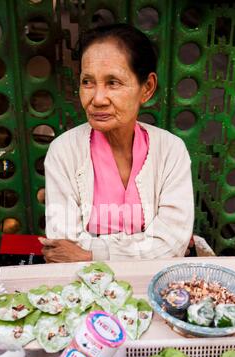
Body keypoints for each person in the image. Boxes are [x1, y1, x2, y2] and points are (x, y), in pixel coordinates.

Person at [40, 23, 194, 263]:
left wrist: (91, 253)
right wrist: (145, 243)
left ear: (147, 88)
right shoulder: (64, 151)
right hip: (84, 285)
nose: (97, 99)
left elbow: (171, 244)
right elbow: (63, 245)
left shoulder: (171, 151)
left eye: (113, 83)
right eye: (87, 82)